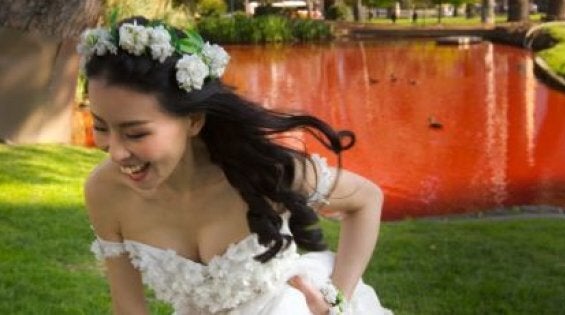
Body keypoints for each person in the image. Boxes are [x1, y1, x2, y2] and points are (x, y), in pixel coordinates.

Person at [80, 16, 392, 315]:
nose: (117, 152)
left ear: (194, 121)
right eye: (101, 126)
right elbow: (129, 309)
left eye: (136, 133)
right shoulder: (105, 193)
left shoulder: (263, 171)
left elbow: (366, 199)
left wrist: (335, 300)